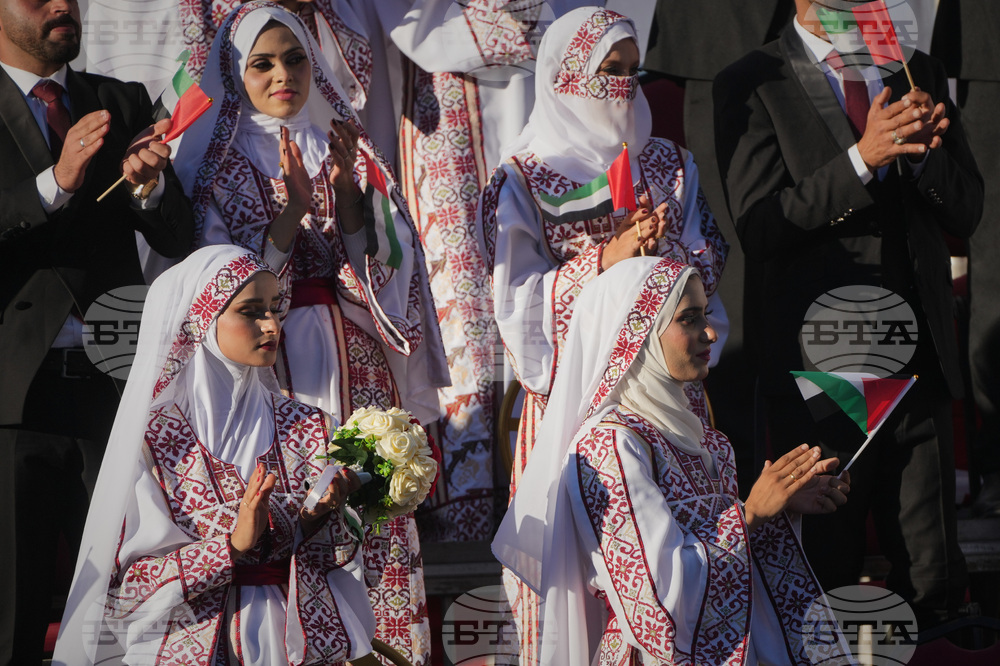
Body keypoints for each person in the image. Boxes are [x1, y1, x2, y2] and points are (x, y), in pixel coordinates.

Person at [173, 3, 448, 661]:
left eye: (294, 58)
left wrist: (352, 204)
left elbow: (390, 268)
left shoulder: (344, 144)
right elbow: (221, 294)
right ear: (235, 71)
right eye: (261, 64)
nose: (282, 76)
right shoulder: (215, 163)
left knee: (374, 517)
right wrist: (292, 213)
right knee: (306, 515)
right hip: (277, 368)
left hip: (358, 357)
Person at [714, 0, 982, 630]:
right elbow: (759, 224)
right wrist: (865, 156)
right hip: (822, 375)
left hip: (919, 362)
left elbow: (967, 208)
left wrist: (918, 157)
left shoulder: (914, 69)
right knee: (825, 581)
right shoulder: (753, 81)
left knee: (933, 574)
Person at [479, 8, 729, 657]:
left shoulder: (672, 165)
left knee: (676, 571)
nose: (621, 86)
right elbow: (518, 306)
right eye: (605, 72)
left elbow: (708, 267)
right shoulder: (521, 180)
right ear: (565, 77)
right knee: (573, 599)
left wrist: (663, 260)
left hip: (668, 402)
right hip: (574, 407)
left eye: (629, 71)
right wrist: (608, 262)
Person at [494, 256, 853, 664]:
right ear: (637, 333)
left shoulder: (709, 443)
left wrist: (779, 506)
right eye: (690, 319)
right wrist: (751, 514)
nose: (711, 333)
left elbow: (726, 569)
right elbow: (656, 606)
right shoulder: (609, 445)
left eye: (706, 315)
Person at [52, 245, 374, 665]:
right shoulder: (152, 440)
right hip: (185, 645)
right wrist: (230, 546)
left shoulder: (312, 427)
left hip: (294, 644)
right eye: (251, 311)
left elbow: (341, 562)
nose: (271, 324)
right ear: (202, 320)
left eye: (275, 309)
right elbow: (125, 592)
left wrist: (320, 520)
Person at [0, 0, 195, 661]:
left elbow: (178, 234)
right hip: (13, 402)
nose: (61, 5)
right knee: (13, 618)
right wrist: (54, 184)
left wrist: (149, 188)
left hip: (113, 393)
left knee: (127, 610)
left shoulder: (120, 101)